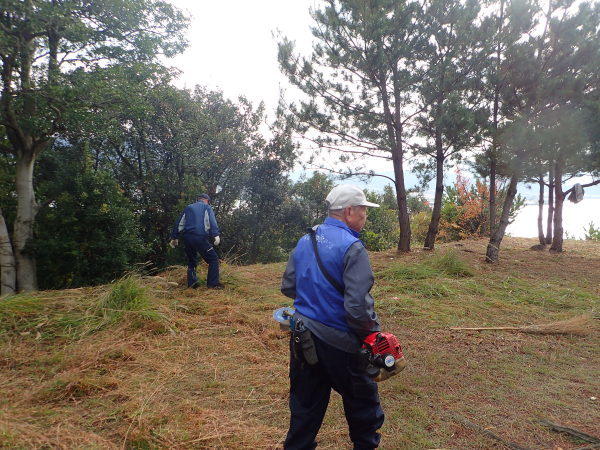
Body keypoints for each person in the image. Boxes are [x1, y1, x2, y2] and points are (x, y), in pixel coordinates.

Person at [281, 184, 384, 450]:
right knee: (363, 407)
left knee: (304, 407)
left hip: (302, 337)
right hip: (341, 344)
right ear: (349, 211)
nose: (365, 216)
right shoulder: (353, 247)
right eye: (363, 210)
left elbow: (289, 286)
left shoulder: (307, 239)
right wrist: (372, 334)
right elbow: (357, 308)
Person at [170, 193, 224, 289]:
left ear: (198, 199)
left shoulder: (188, 207)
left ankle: (193, 284)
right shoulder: (207, 207)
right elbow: (212, 221)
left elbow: (180, 223)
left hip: (187, 238)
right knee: (213, 259)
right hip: (200, 237)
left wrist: (174, 237)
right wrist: (216, 234)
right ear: (207, 200)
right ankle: (213, 284)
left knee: (191, 261)